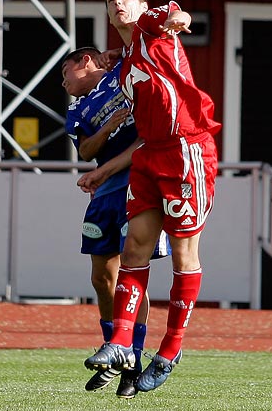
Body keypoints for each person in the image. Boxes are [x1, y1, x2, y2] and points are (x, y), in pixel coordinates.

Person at [84, 0, 221, 393]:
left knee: (183, 253)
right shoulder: (126, 59)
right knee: (134, 247)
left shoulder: (151, 24)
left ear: (141, 7)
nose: (117, 3)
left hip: (186, 152)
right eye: (110, 0)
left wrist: (176, 20)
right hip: (149, 156)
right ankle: (122, 341)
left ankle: (172, 346)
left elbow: (174, 14)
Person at [62, 46, 169, 398]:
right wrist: (109, 126)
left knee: (132, 271)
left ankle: (133, 357)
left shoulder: (119, 73)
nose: (63, 82)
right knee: (101, 276)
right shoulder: (77, 109)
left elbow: (141, 42)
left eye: (66, 72)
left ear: (86, 62)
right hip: (105, 190)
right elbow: (86, 151)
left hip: (137, 180)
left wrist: (118, 52)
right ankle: (113, 350)